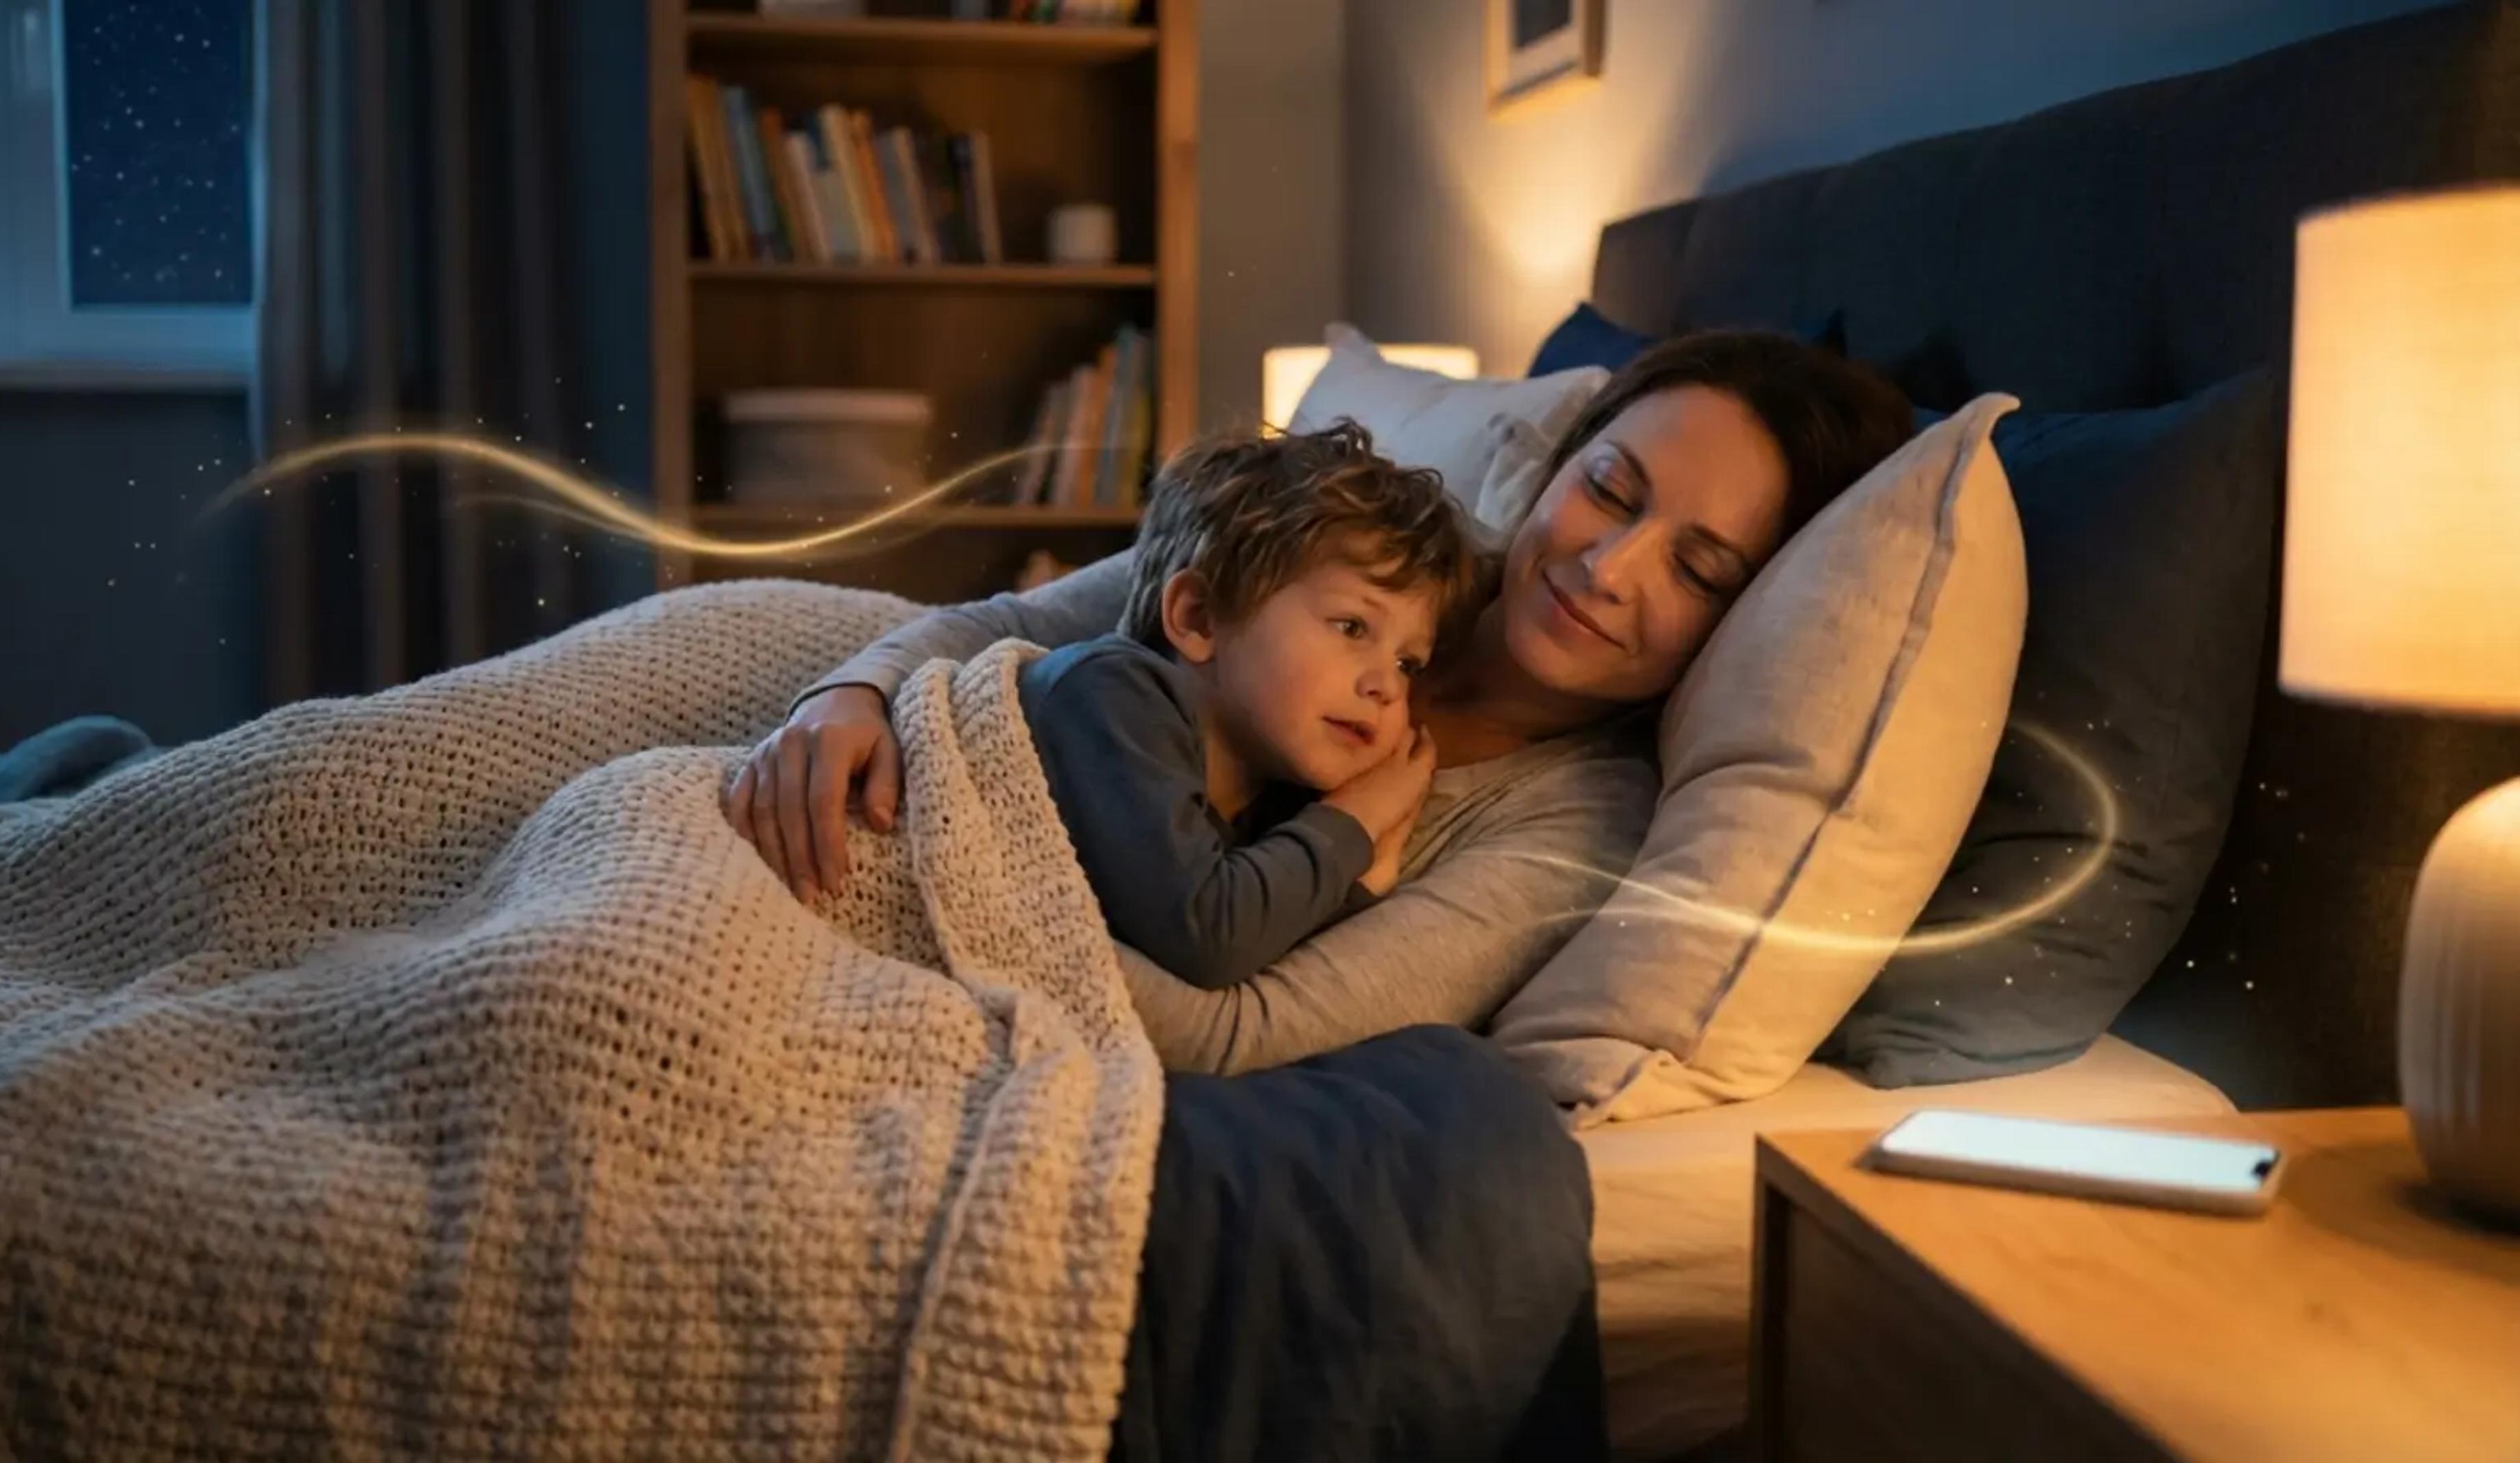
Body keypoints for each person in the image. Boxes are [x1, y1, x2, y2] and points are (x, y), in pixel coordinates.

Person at [725, 331, 1918, 1073]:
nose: (1611, 568)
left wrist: (961, 891)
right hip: (827, 706)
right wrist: (845, 697)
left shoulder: (1573, 826)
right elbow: (1014, 627)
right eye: (1611, 490)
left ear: (1741, 624)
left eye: (1699, 570)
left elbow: (1244, 1031)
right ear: (1558, 465)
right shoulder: (1389, 547)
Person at [1007, 423, 1484, 990]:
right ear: (1200, 617)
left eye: (1409, 664)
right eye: (1352, 626)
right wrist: (1357, 821)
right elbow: (1208, 937)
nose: (1386, 685)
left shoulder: (1270, 801)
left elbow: (1267, 947)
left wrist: (1362, 881)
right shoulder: (1110, 694)